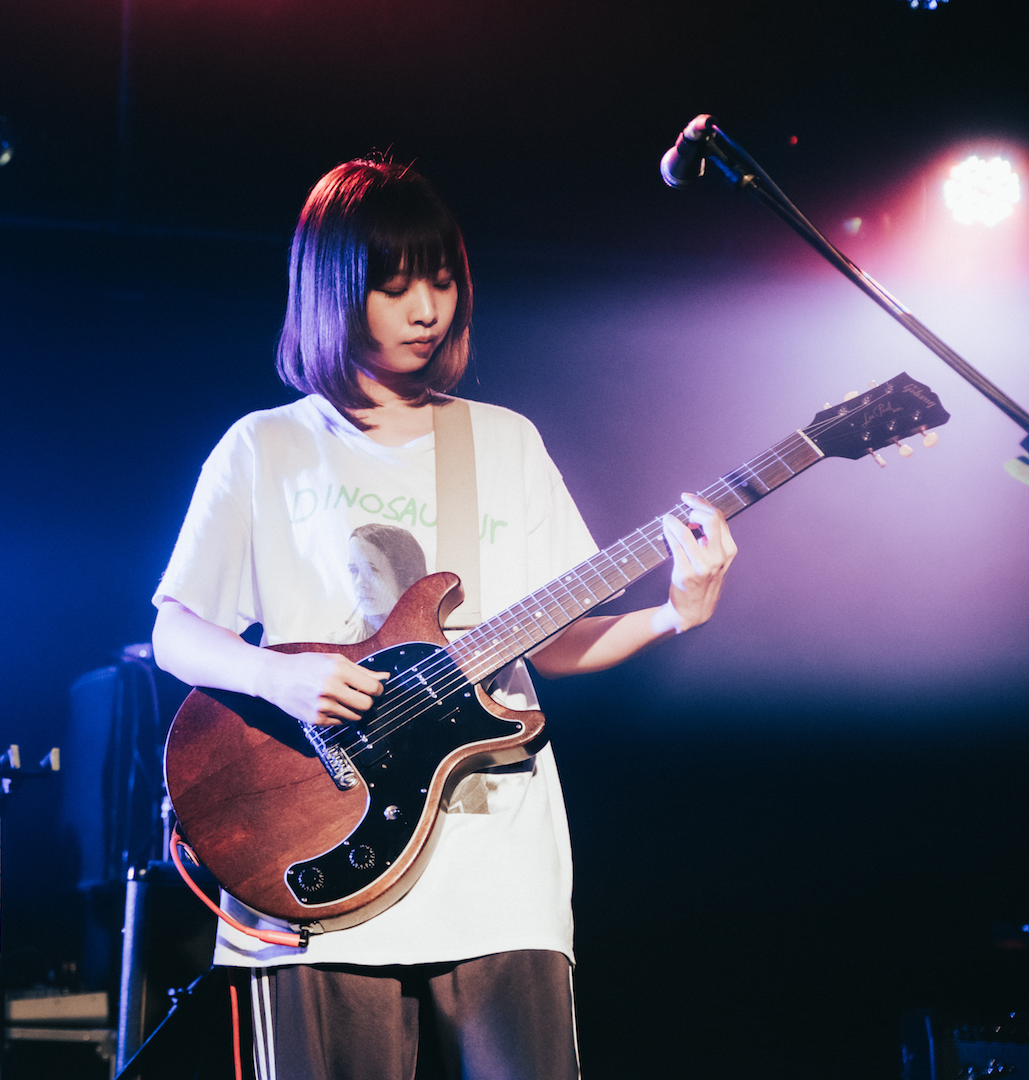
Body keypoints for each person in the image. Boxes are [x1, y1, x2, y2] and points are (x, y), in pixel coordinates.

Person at [151, 159, 737, 1079]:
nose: (427, 309)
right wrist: (278, 676)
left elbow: (559, 642)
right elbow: (175, 632)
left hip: (496, 860)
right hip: (313, 845)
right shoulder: (266, 447)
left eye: (442, 280)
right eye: (394, 287)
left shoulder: (505, 440)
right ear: (332, 294)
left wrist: (674, 613)